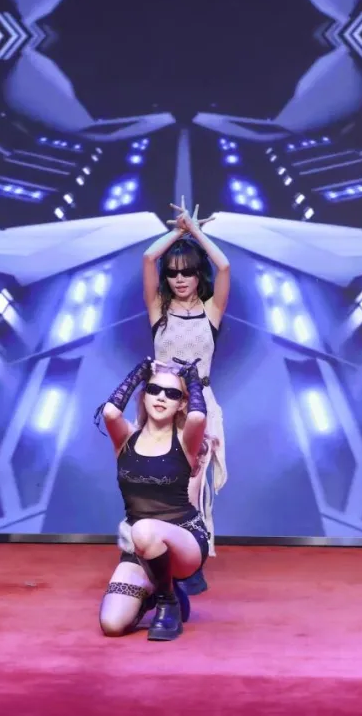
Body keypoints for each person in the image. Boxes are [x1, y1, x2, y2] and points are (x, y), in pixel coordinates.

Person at [141, 198, 230, 595]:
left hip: (199, 406)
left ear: (198, 276)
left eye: (188, 272)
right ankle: (156, 558)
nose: (180, 279)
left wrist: (194, 232)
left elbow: (224, 267)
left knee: (191, 488)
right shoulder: (158, 309)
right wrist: (177, 232)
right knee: (158, 487)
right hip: (162, 408)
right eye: (173, 273)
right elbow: (148, 257)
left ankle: (189, 565)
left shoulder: (211, 312)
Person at [93, 357, 210, 641]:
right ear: (144, 395)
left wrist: (192, 379)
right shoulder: (125, 439)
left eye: (172, 394)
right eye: (154, 390)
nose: (161, 397)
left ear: (182, 403)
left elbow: (197, 418)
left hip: (185, 540)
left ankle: (168, 602)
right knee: (112, 624)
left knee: (144, 529)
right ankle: (161, 588)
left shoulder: (186, 441)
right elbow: (110, 412)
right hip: (141, 547)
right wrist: (140, 372)